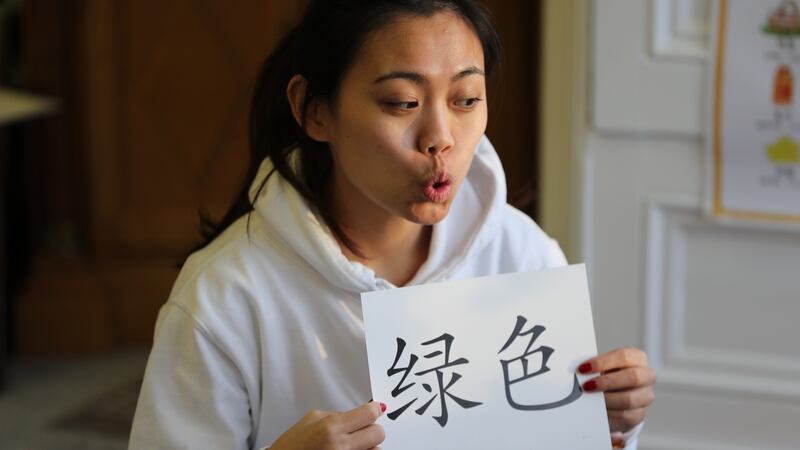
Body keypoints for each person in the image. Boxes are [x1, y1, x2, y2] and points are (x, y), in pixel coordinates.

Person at [129, 1, 656, 449]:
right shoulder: (224, 295)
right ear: (314, 112)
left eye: (466, 99)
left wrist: (610, 423)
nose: (440, 137)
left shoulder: (522, 255)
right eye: (402, 102)